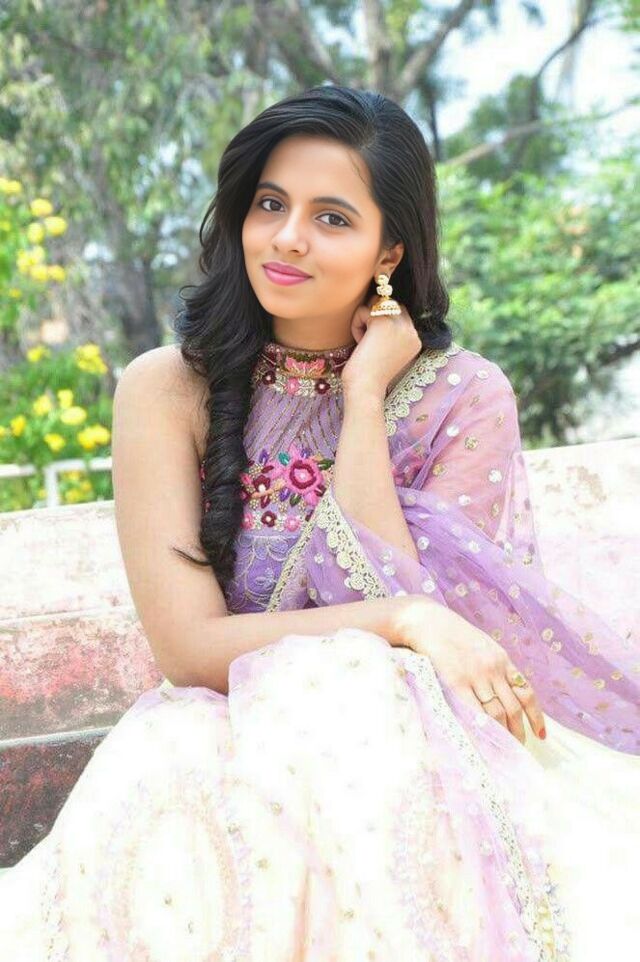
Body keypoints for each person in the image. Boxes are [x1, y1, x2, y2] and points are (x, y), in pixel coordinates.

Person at [1, 83, 638, 961]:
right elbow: (189, 646)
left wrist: (365, 396)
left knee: (372, 707)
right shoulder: (167, 389)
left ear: (390, 250)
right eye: (270, 205)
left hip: (414, 743)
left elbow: (438, 646)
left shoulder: (463, 396)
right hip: (225, 728)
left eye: (331, 217)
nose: (288, 237)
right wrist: (401, 620)